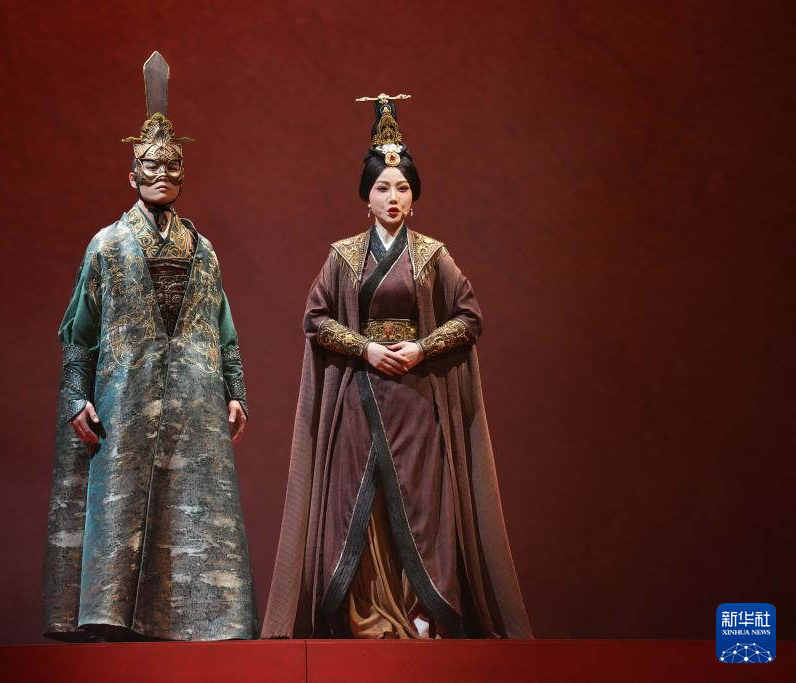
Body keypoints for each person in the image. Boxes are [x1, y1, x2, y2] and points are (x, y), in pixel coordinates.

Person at [261, 94, 532, 639]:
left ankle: (420, 610)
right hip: (360, 396)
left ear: (414, 197)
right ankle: (364, 612)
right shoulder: (344, 256)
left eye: (403, 188)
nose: (393, 197)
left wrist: (422, 348)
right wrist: (364, 348)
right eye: (383, 188)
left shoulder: (433, 255)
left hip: (415, 396)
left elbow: (469, 317)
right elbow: (315, 318)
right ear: (367, 197)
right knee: (357, 506)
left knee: (422, 502)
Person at [42, 52, 256, 642]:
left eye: (171, 165)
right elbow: (79, 335)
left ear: (184, 173)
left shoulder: (203, 250)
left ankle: (201, 620)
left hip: (194, 399)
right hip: (126, 397)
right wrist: (76, 398)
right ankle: (113, 617)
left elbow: (223, 328)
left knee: (196, 502)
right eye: (150, 165)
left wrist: (235, 391)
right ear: (131, 174)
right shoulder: (108, 246)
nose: (162, 173)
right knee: (122, 499)